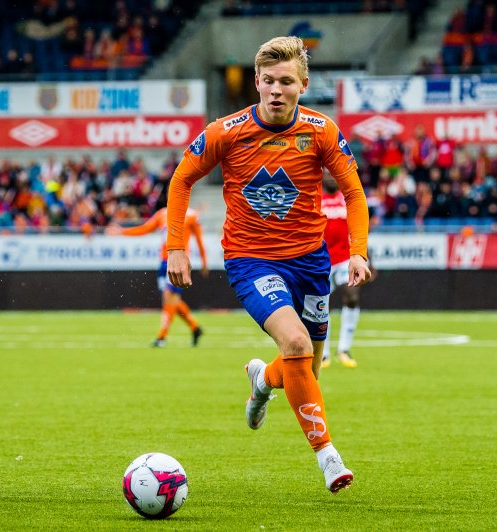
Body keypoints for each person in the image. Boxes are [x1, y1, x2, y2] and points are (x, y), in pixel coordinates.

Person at [165, 36, 371, 493]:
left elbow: (354, 193)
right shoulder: (227, 131)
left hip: (312, 262)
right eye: (269, 81)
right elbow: (182, 180)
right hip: (251, 260)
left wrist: (358, 249)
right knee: (295, 342)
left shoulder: (321, 131)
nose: (276, 90)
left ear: (303, 85)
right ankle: (329, 459)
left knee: (305, 371)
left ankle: (263, 379)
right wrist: (175, 245)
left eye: (286, 82)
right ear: (256, 82)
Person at [109, 207, 208, 347]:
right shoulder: (162, 213)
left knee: (169, 297)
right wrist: (122, 232)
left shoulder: (192, 215)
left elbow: (199, 239)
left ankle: (161, 337)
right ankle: (195, 328)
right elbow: (145, 228)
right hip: (163, 263)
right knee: (172, 300)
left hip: (178, 262)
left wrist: (204, 261)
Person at [320, 173, 374, 369]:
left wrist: (367, 259)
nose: (332, 178)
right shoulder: (314, 196)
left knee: (352, 296)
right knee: (320, 304)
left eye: (334, 174)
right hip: (321, 260)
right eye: (328, 174)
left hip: (345, 259)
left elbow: (359, 229)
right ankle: (323, 353)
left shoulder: (348, 197)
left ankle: (344, 349)